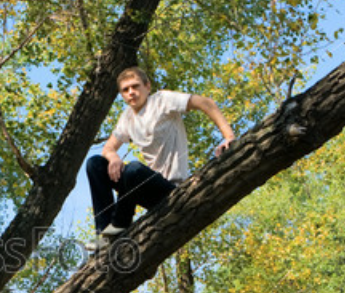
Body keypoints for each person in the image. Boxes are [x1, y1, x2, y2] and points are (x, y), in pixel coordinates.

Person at [85, 66, 236, 250]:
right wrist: (113, 156)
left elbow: (205, 103)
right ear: (122, 94)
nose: (131, 92)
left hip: (170, 190)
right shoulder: (127, 118)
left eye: (135, 86)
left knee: (133, 169)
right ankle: (105, 233)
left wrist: (229, 137)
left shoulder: (162, 100)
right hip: (146, 191)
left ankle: (119, 225)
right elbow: (108, 148)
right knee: (95, 164)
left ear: (147, 86)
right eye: (125, 90)